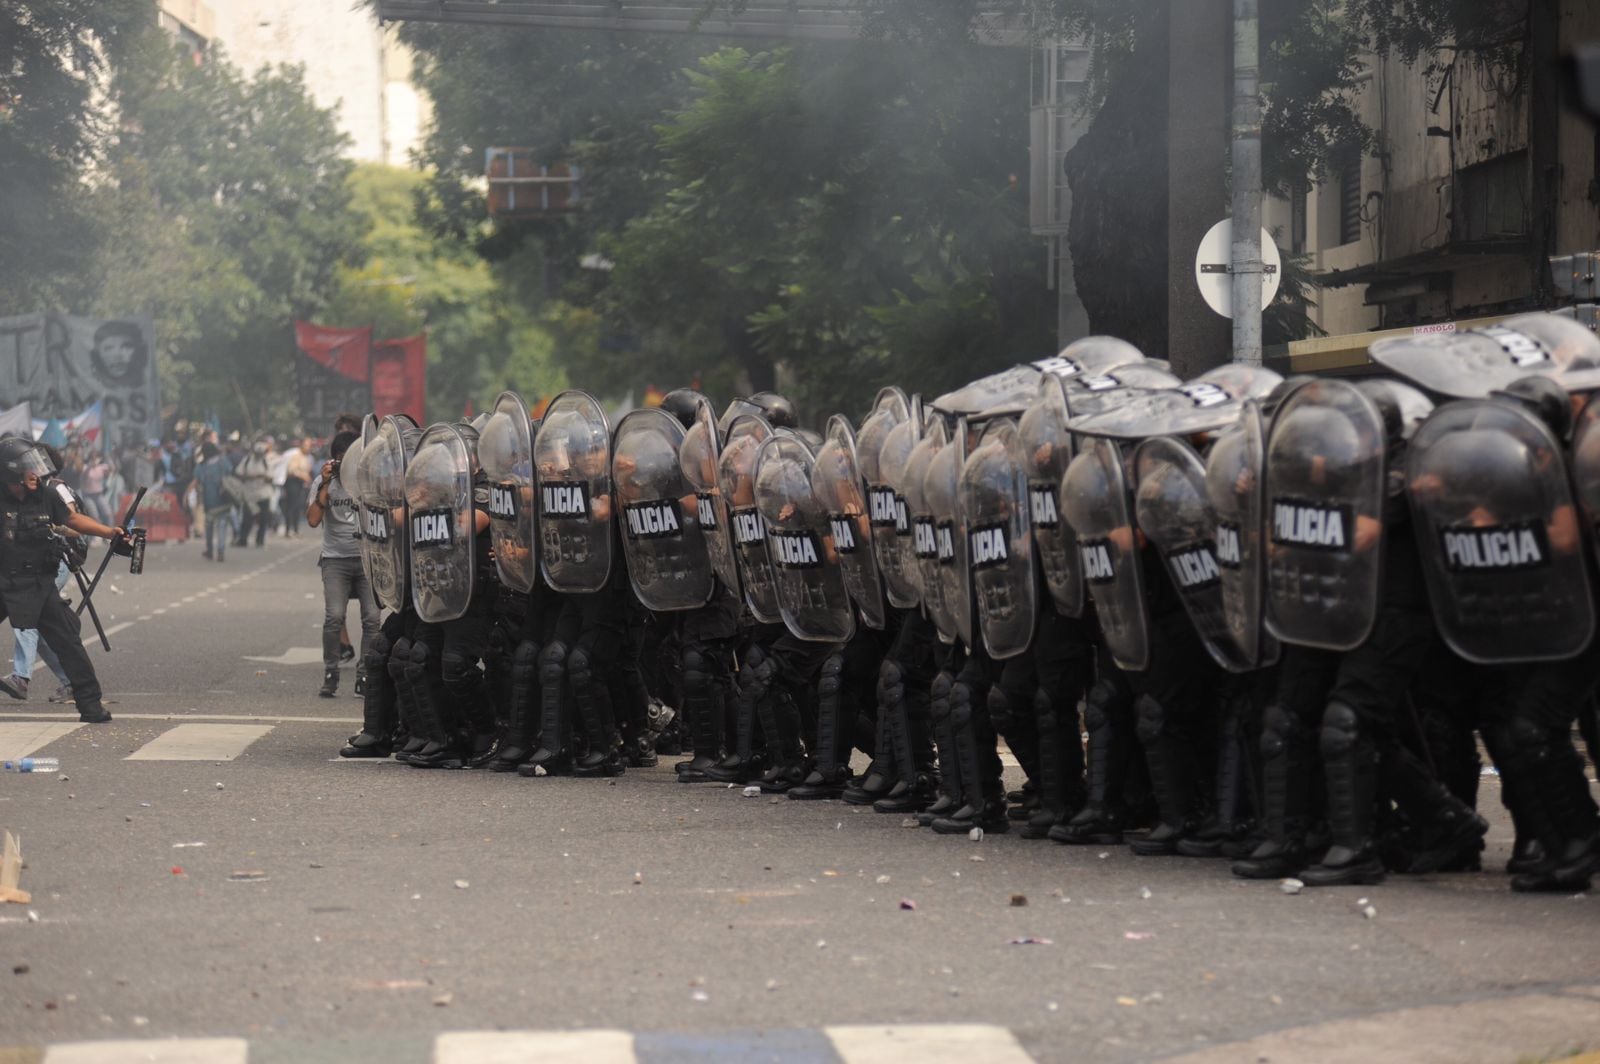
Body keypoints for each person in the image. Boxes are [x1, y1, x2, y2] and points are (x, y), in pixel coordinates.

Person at [0, 437, 127, 723]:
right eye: (27, 468)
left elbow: (73, 520)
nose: (36, 473)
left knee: (68, 642)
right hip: (3, 580)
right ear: (10, 473)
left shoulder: (46, 494)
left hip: (38, 583)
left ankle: (91, 705)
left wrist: (109, 532)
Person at [306, 431, 380, 698]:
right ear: (333, 460)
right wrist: (325, 484)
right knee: (334, 617)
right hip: (335, 559)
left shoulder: (368, 481)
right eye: (340, 459)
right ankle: (331, 672)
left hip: (366, 559)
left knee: (372, 619)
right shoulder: (323, 483)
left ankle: (365, 675)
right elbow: (313, 520)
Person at [191, 443, 234, 562]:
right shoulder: (223, 461)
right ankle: (221, 550)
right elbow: (230, 473)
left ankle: (209, 550)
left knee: (209, 526)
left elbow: (198, 481)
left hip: (209, 500)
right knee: (222, 525)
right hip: (224, 498)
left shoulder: (202, 466)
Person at [233, 436, 274, 547]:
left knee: (263, 518)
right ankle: (243, 539)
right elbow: (238, 473)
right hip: (249, 494)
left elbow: (271, 477)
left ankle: (260, 540)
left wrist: (262, 476)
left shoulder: (266, 461)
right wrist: (249, 477)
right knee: (247, 518)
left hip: (263, 493)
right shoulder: (247, 461)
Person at [281, 437, 312, 537]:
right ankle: (288, 529)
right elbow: (292, 470)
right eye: (306, 445)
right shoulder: (296, 455)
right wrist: (304, 476)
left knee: (298, 507)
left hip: (300, 484)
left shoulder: (305, 456)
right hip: (292, 483)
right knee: (291, 506)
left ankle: (295, 529)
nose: (308, 447)